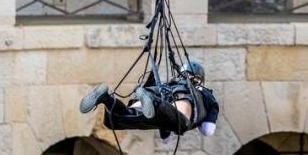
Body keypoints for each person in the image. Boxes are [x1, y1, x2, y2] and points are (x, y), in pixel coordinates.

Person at [79, 60, 219, 140]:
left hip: (162, 99)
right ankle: (153, 101)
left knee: (116, 121)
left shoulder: (171, 84)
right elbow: (208, 130)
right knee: (181, 122)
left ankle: (107, 99)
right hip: (181, 103)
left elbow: (166, 135)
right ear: (200, 80)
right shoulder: (205, 93)